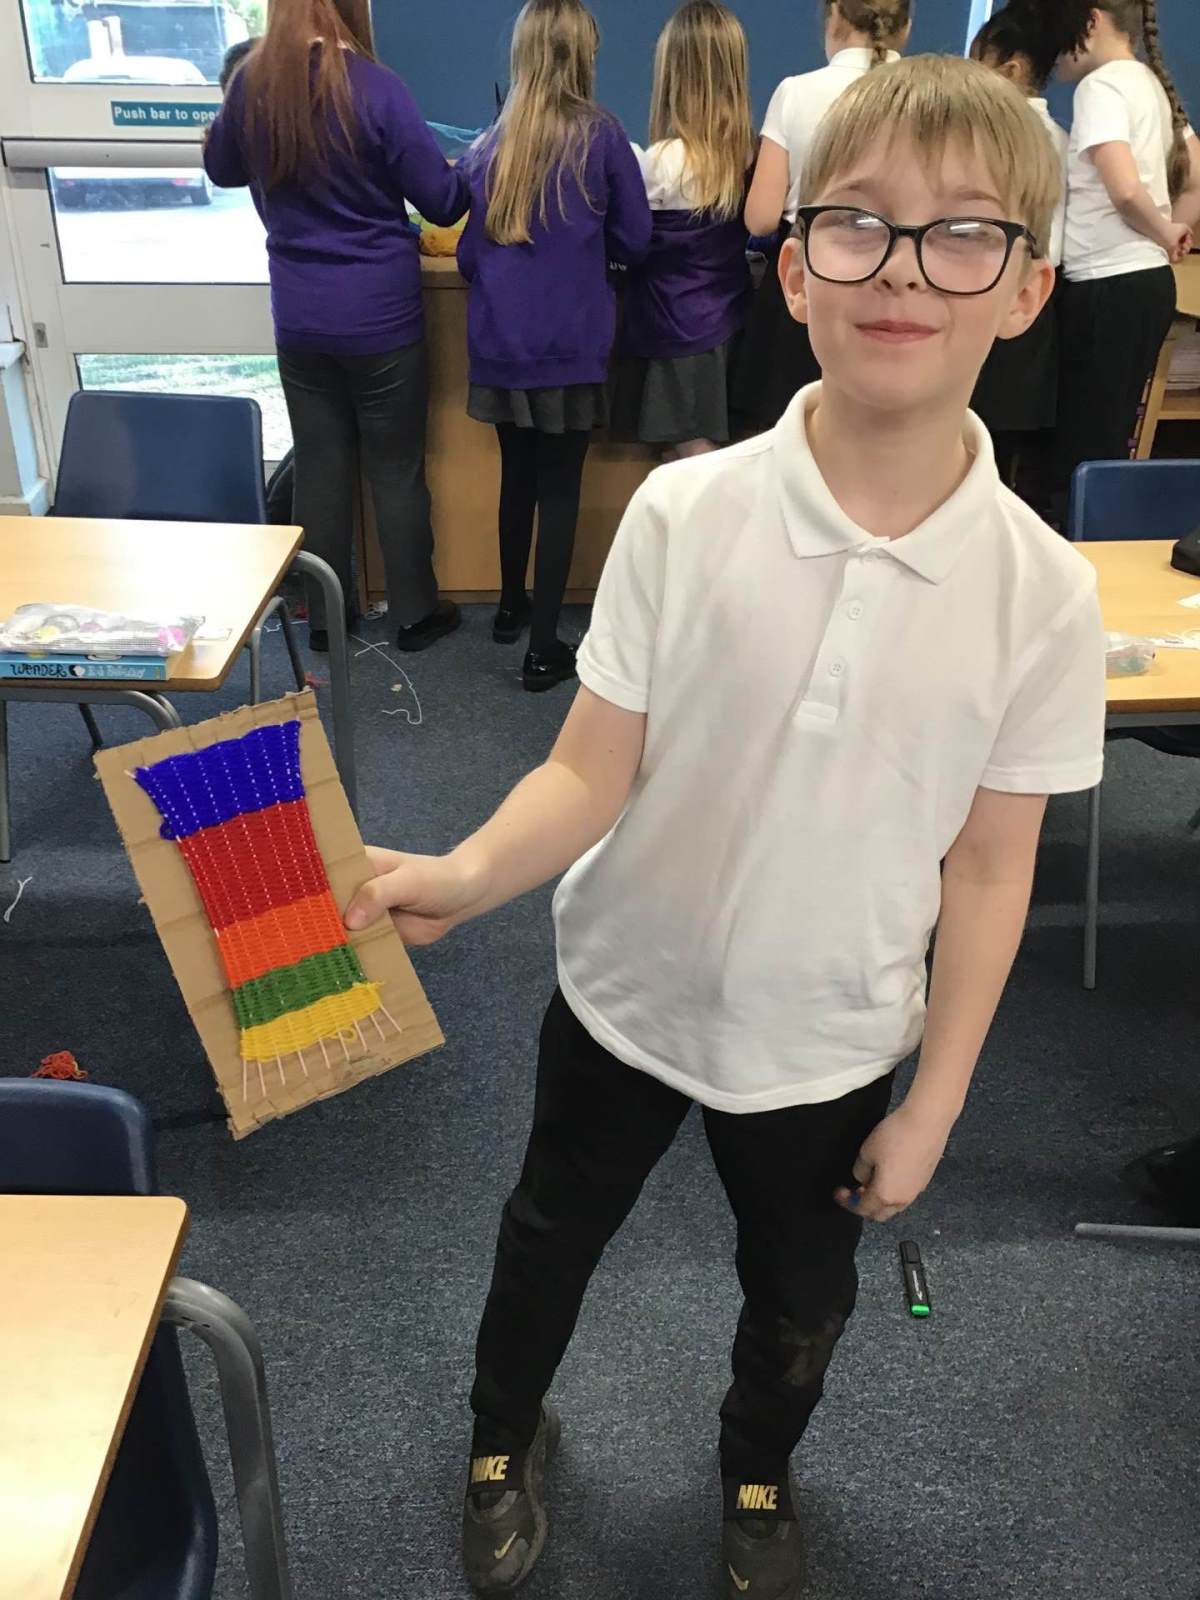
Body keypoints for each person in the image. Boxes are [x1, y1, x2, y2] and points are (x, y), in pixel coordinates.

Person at [346, 54, 1107, 1598]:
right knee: (548, 1235)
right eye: (858, 224)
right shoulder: (686, 517)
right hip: (624, 992)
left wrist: (935, 1105)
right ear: (795, 268)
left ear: (1028, 288)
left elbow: (990, 869)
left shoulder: (1046, 593)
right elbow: (588, 772)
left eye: (963, 234)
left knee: (801, 1293)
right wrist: (470, 871)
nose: (903, 270)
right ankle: (501, 1432)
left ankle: (758, 1467)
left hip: (830, 1038)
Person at [204, 0, 467, 655]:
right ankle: (415, 615)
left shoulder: (255, 82)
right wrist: (468, 172)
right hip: (381, 316)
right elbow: (441, 203)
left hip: (300, 316)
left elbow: (221, 168)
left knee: (320, 467)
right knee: (395, 469)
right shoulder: (376, 88)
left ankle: (326, 618)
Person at [457, 0, 651, 693]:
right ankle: (544, 649)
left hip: (501, 343)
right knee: (561, 487)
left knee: (517, 474)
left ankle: (510, 606)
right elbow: (635, 238)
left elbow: (468, 258)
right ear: (583, 56)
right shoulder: (602, 136)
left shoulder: (490, 145)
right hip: (570, 342)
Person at [731, 0, 912, 435]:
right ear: (906, 26)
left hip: (810, 279)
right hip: (900, 277)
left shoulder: (796, 92)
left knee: (792, 429)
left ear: (833, 16)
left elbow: (760, 218)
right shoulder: (929, 99)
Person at [1051, 0, 1200, 518]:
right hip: (1142, 283)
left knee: (1084, 438)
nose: (1056, 54)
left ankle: (1082, 543)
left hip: (1107, 283)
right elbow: (1197, 175)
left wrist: (1164, 232)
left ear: (1092, 22)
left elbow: (1124, 188)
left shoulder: (1102, 85)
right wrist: (1171, 231)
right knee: (1108, 430)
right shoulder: (1151, 84)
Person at [610, 0, 754, 460]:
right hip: (731, 322)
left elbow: (629, 243)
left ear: (671, 76)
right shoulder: (751, 158)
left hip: (671, 331)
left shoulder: (658, 163)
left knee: (693, 459)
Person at [969, 1, 1068, 514]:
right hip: (1033, 303)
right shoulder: (1061, 138)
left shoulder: (995, 137)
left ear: (1011, 69)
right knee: (1003, 452)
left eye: (978, 65)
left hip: (995, 294)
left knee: (975, 434)